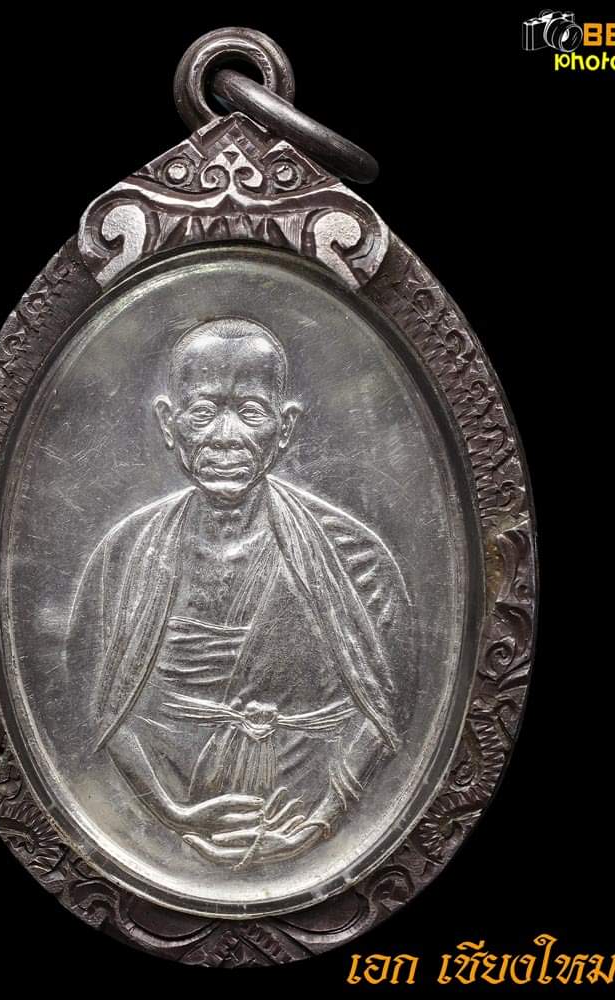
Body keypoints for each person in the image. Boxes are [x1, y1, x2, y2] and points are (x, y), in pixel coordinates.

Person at [66, 317, 413, 867]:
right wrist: (171, 813)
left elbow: (384, 712)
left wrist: (318, 825)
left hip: (306, 811)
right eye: (204, 412)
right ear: (169, 423)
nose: (225, 437)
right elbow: (99, 711)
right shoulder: (124, 557)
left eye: (250, 412)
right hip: (167, 811)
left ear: (284, 427)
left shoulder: (353, 557)